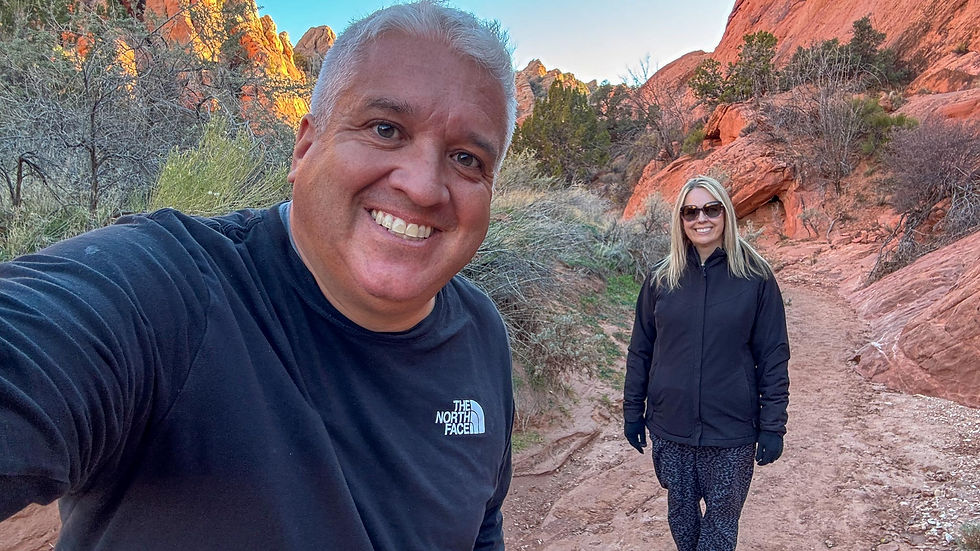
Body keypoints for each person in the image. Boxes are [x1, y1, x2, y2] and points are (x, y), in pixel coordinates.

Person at [0, 2, 518, 549]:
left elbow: (480, 523)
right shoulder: (172, 293)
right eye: (385, 129)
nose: (423, 186)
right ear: (305, 146)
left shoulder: (481, 334)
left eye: (466, 160)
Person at [622, 175, 790, 550]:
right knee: (681, 521)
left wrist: (773, 427)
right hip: (671, 428)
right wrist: (633, 412)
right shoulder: (660, 278)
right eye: (691, 211)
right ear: (680, 220)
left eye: (711, 209)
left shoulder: (756, 277)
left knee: (719, 529)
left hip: (732, 433)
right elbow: (641, 350)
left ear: (726, 214)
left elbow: (773, 357)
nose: (702, 219)